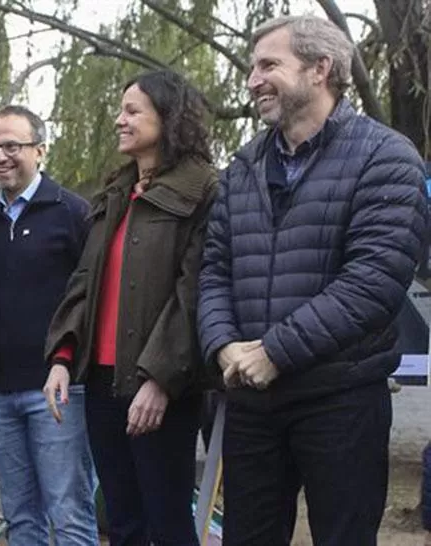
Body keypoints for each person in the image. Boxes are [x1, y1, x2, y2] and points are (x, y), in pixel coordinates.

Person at [197, 15, 428, 546]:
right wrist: (224, 345)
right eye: (253, 67)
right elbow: (214, 270)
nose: (252, 80)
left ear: (321, 68)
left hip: (340, 398)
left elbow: (373, 281)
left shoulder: (386, 157)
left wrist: (274, 351)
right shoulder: (243, 167)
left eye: (268, 65)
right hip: (252, 400)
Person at [45, 70, 217, 545]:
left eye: (132, 111)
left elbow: (195, 291)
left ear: (167, 117)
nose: (120, 121)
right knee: (121, 524)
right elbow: (85, 280)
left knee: (167, 524)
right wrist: (62, 356)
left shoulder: (202, 189)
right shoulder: (116, 191)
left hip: (161, 386)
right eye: (120, 111)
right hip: (102, 383)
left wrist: (161, 379)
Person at [0, 103, 97, 544]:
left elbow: (90, 301)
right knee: (20, 516)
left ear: (40, 151)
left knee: (69, 512)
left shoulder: (73, 213)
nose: (0, 157)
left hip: (59, 392)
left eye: (12, 146)